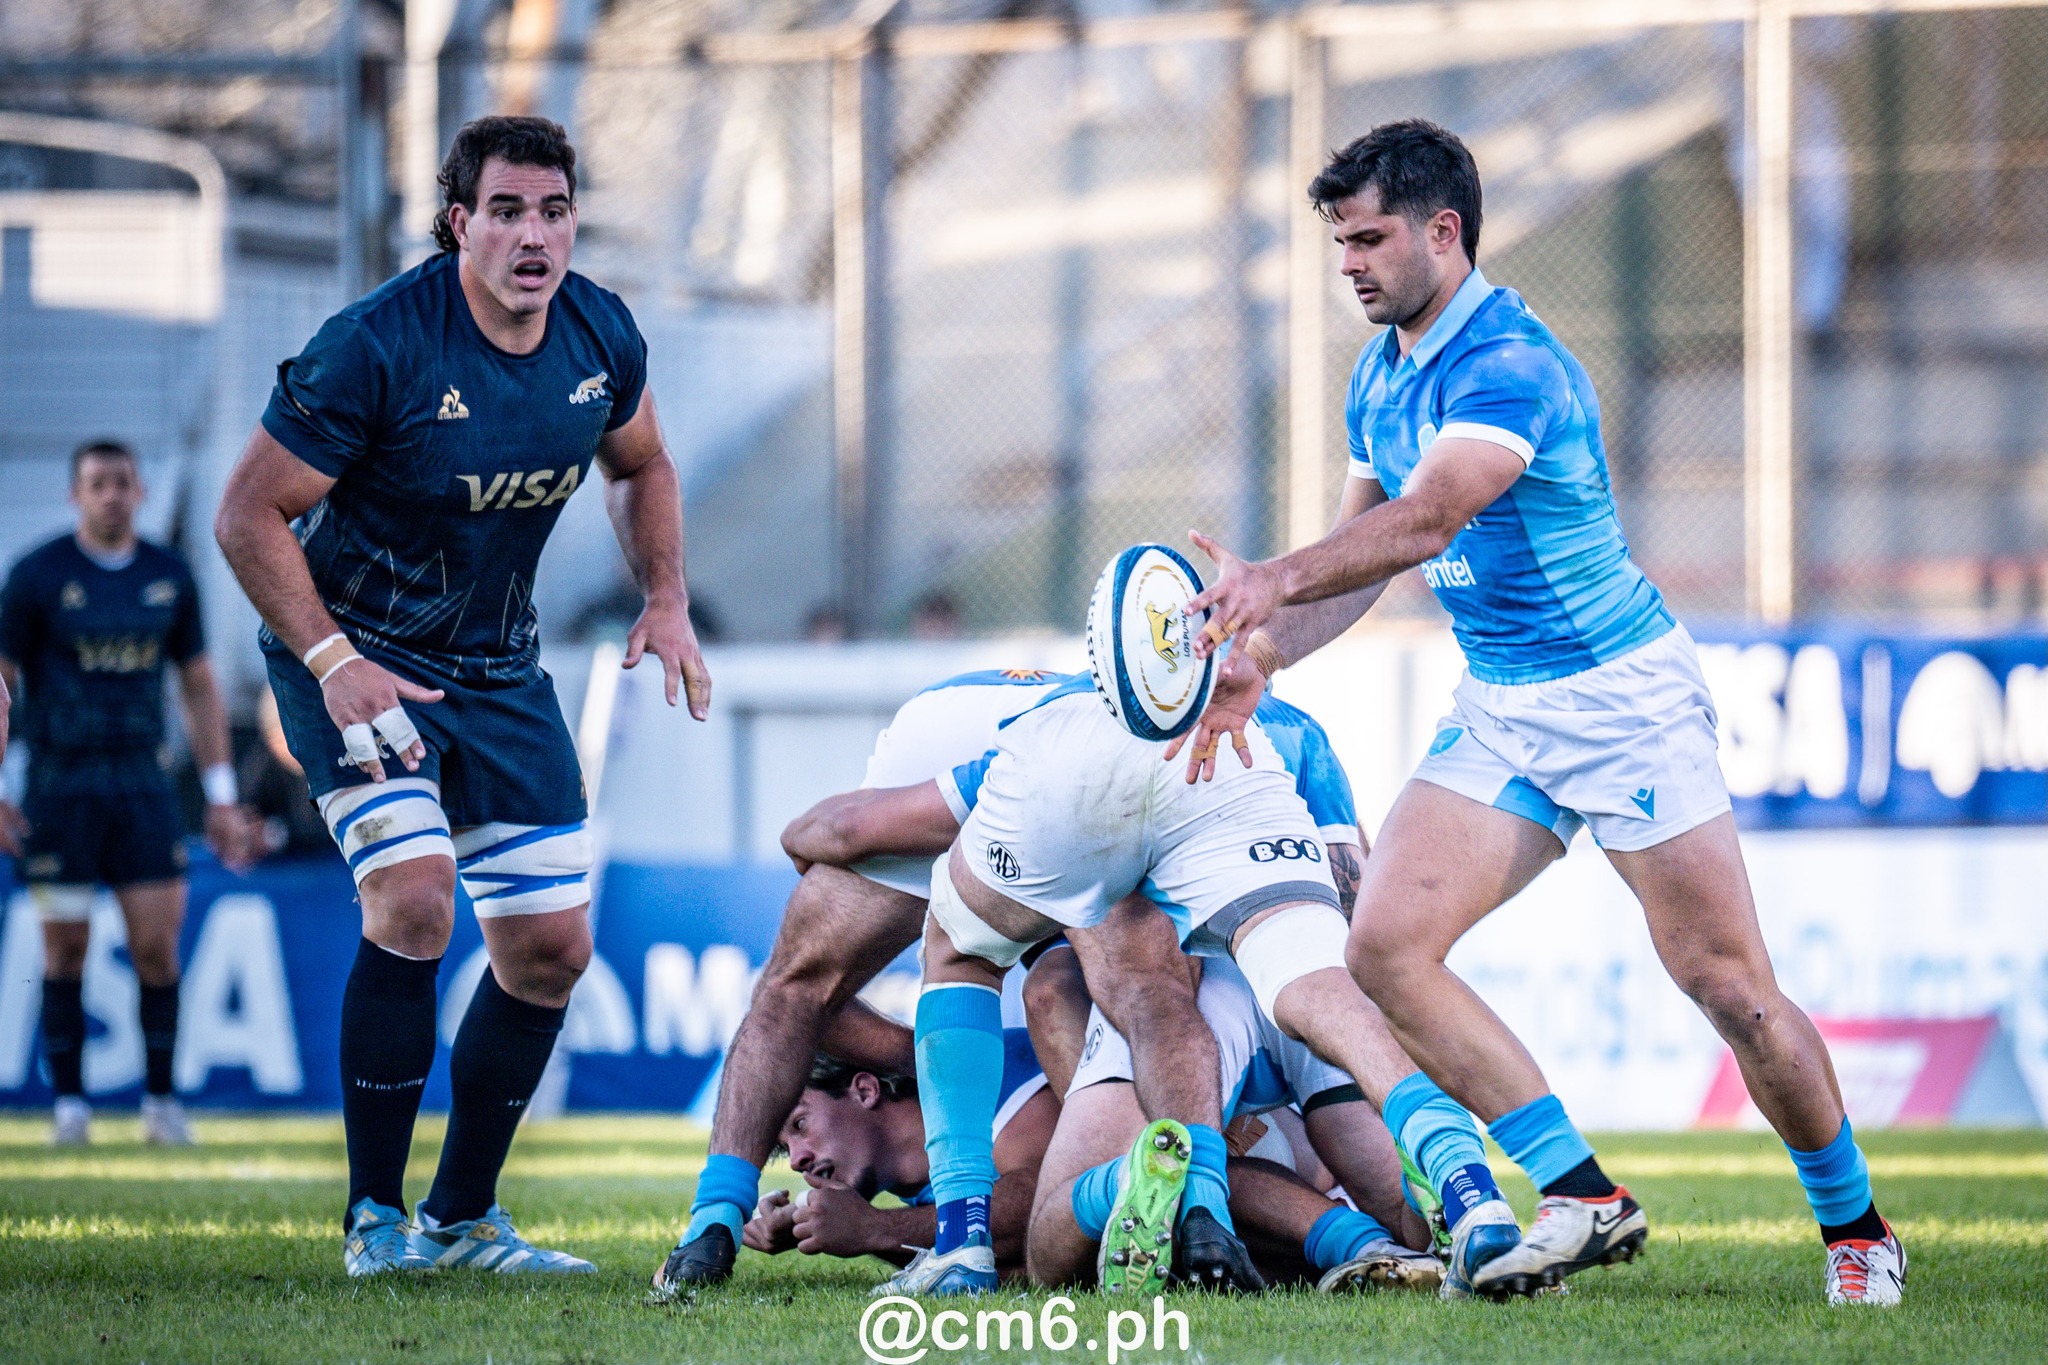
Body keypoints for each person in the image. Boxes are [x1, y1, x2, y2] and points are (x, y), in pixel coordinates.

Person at [1178, 119, 1901, 1306]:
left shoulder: (1509, 362)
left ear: (1442, 231)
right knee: (1383, 950)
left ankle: (1856, 1229)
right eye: (1338, 244)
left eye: (1367, 240)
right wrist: (1264, 652)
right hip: (1503, 705)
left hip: (1621, 702)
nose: (1348, 264)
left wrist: (1265, 576)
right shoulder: (1378, 374)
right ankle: (1579, 1190)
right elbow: (1364, 570)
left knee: (1728, 987)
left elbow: (1421, 524)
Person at [213, 115, 711, 1278]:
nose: (532, 236)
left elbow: (640, 465)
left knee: (549, 950)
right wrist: (334, 663)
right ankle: (373, 1221)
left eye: (552, 211)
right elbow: (247, 514)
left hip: (498, 669)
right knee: (416, 902)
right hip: (356, 655)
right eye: (505, 211)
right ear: (458, 225)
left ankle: (462, 1221)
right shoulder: (375, 345)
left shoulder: (601, 331)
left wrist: (668, 598)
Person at [903, 671, 1522, 1299]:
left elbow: (852, 831)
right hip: (1284, 970)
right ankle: (1463, 1185)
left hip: (1176, 1028)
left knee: (1052, 1243)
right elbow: (1354, 902)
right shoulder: (1286, 732)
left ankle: (987, 1234)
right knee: (1324, 992)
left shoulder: (1051, 726)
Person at [0, 439, 251, 1148]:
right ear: (75, 494)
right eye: (96, 483)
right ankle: (71, 1107)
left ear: (140, 492)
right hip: (59, 784)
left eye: (121, 482)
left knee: (157, 950)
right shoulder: (36, 576)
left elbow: (198, 685)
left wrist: (221, 795)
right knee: (65, 951)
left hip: (142, 781)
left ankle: (162, 1103)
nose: (110, 494)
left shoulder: (169, 576)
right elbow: (2, 682)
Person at [1029, 954, 1444, 1295]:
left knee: (1047, 1260)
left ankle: (1122, 1180)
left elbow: (1048, 983)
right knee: (1402, 1218)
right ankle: (1407, 1206)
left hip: (1173, 984)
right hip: (1306, 963)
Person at [745, 1040, 1056, 1280]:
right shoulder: (925, 1196)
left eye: (800, 1124)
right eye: (787, 1148)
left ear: (865, 1091)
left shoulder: (982, 1072)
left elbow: (1045, 1207)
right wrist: (815, 1229)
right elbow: (1026, 1271)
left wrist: (874, 1227)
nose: (796, 1161)